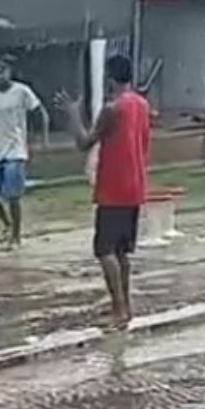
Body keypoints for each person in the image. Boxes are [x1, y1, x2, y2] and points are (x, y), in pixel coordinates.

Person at [54, 53, 152, 328]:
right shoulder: (141, 104)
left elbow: (85, 142)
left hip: (114, 187)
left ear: (110, 78)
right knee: (121, 251)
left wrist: (73, 115)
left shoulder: (113, 109)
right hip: (135, 186)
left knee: (104, 250)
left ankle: (119, 309)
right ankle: (124, 305)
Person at [0, 57, 43, 250]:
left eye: (3, 70)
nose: (0, 74)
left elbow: (39, 112)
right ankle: (7, 223)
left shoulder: (22, 92)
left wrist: (39, 139)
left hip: (16, 150)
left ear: (11, 72)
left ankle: (16, 235)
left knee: (13, 196)